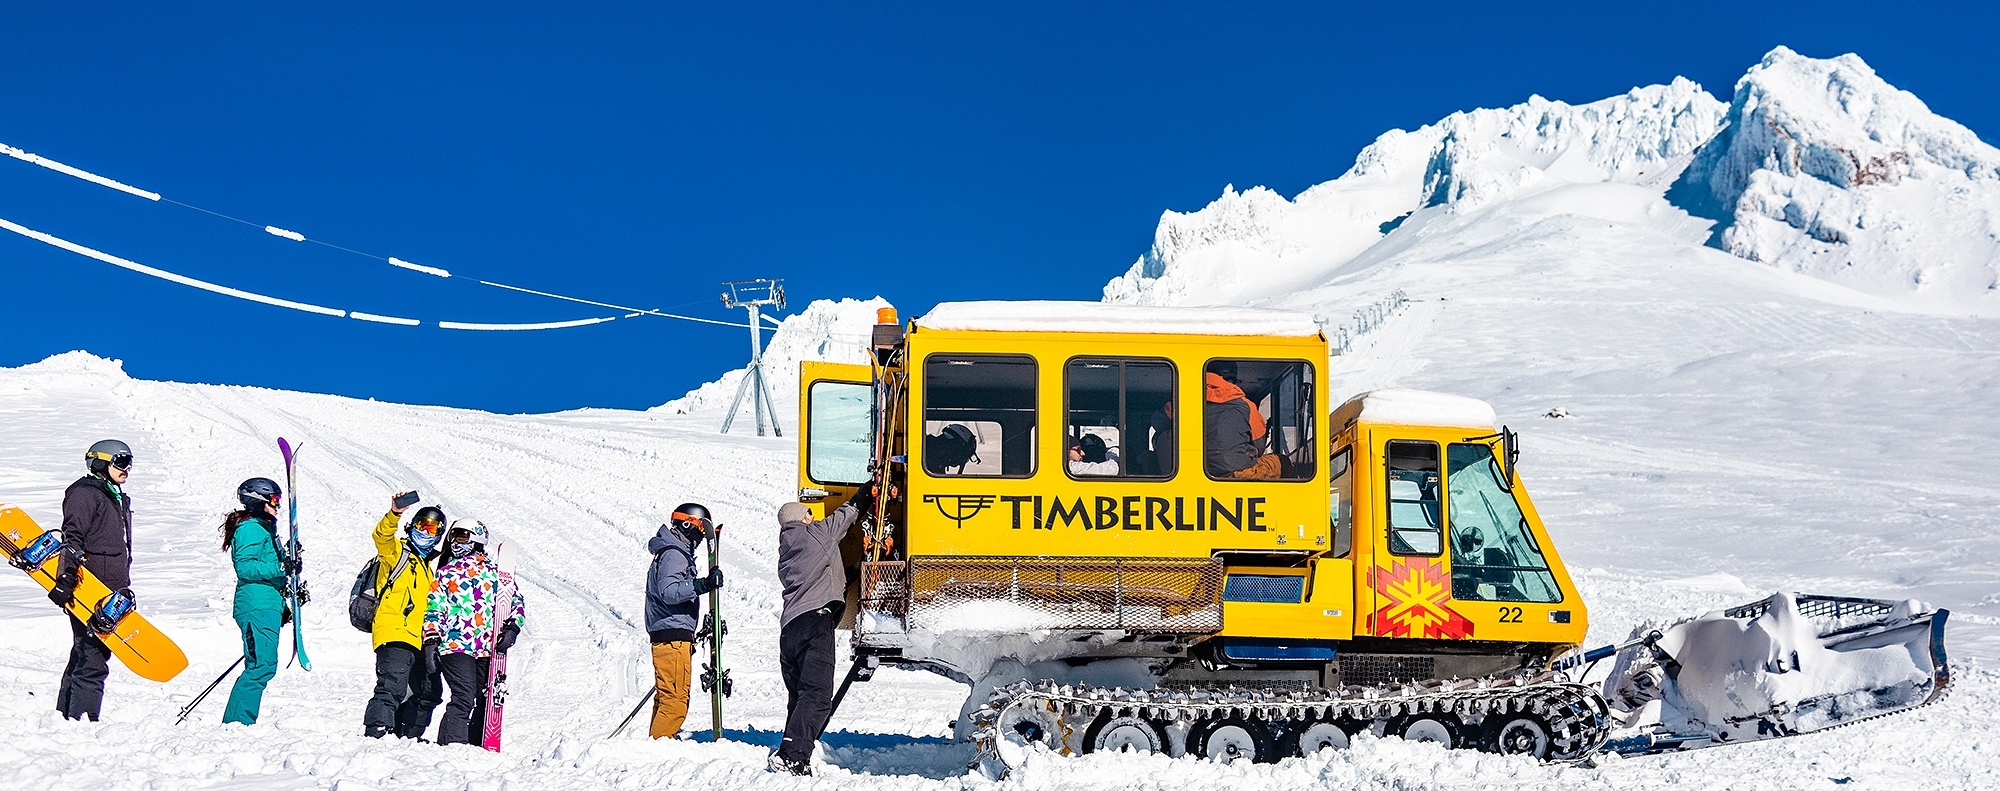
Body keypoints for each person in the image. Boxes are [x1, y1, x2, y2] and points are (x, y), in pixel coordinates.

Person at [768, 486, 869, 776]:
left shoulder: (788, 549)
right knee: (817, 695)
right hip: (815, 624)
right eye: (810, 513)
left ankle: (793, 748)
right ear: (804, 519)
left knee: (800, 696)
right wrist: (867, 490)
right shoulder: (817, 534)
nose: (814, 515)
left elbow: (820, 577)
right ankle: (791, 756)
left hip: (790, 629)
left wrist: (853, 570)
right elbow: (848, 513)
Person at [49, 439, 136, 721]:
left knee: (85, 652)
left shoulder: (114, 495)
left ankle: (67, 716)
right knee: (94, 655)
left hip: (110, 586)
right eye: (121, 462)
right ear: (100, 462)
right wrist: (66, 578)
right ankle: (83, 719)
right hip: (90, 587)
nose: (127, 469)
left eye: (129, 463)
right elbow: (72, 538)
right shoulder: (85, 493)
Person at [423, 519, 524, 746]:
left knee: (484, 698)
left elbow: (515, 602)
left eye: (462, 537)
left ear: (477, 540)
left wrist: (513, 627)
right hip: (455, 644)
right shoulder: (445, 574)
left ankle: (476, 745)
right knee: (464, 695)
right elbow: (434, 608)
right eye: (453, 537)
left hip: (486, 647)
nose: (456, 543)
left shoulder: (497, 575)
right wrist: (431, 639)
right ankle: (453, 746)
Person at [363, 498, 447, 739]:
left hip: (419, 638)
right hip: (395, 631)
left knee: (429, 691)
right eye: (421, 525)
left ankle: (406, 737)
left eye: (431, 529)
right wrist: (394, 513)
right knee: (392, 686)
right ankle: (377, 731)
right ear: (412, 526)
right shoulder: (396, 553)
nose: (424, 532)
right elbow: (381, 537)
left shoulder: (426, 567)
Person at [644, 503, 725, 739]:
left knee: (667, 698)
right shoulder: (674, 554)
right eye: (700, 533)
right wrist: (702, 585)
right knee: (675, 703)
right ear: (688, 525)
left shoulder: (673, 552)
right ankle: (658, 751)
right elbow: (669, 591)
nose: (699, 540)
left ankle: (654, 745)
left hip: (671, 635)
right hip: (672, 637)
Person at [221, 477, 291, 725]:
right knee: (261, 667)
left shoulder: (264, 529)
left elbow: (272, 570)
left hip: (266, 603)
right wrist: (281, 565)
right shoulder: (251, 528)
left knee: (263, 665)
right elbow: (246, 567)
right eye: (274, 500)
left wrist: (282, 603)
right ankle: (237, 723)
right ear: (257, 500)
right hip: (256, 604)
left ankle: (239, 721)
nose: (277, 506)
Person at [1203, 370, 1280, 478]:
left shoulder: (1186, 401)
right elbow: (1260, 446)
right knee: (1281, 462)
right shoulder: (1246, 405)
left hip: (1198, 471)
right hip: (1236, 472)